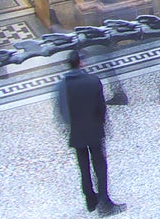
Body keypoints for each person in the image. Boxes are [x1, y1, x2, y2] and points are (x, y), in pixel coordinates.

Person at [58, 50, 121, 214]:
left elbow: (62, 111)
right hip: (94, 129)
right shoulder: (93, 81)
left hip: (77, 131)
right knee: (99, 165)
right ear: (81, 63)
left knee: (83, 167)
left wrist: (68, 127)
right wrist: (104, 124)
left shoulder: (63, 85)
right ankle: (104, 201)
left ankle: (90, 199)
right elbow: (101, 107)